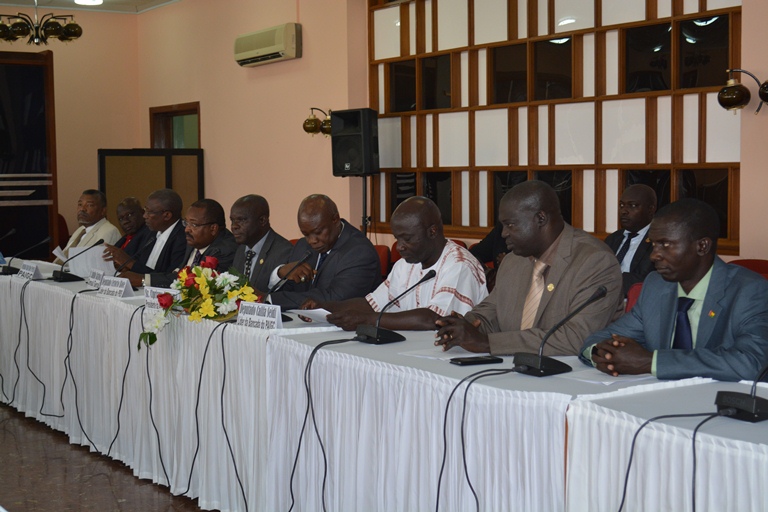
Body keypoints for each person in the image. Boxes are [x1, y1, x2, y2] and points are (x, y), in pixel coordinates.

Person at [581, 198, 768, 382]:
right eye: (653, 244)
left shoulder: (750, 291)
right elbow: (601, 338)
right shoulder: (656, 285)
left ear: (702, 246)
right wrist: (603, 354)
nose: (654, 255)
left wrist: (652, 362)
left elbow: (753, 362)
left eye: (665, 244)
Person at [434, 180, 624, 355]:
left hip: (569, 374)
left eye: (510, 225)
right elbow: (490, 313)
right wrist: (463, 326)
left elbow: (576, 338)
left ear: (540, 218)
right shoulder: (513, 261)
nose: (504, 234)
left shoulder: (594, 261)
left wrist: (487, 343)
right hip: (510, 369)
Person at [302, 196, 488, 331]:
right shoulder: (405, 264)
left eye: (407, 238)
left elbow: (434, 320)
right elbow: (371, 304)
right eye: (397, 238)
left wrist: (367, 320)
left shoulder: (459, 266)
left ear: (432, 232)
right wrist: (324, 307)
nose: (399, 247)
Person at [264, 194, 381, 310]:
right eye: (306, 234)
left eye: (318, 232)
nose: (312, 241)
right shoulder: (302, 246)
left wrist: (271, 299)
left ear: (335, 220)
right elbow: (288, 290)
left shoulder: (359, 252)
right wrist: (281, 273)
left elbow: (334, 299)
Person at [125, 199, 238, 288]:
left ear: (213, 229)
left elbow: (192, 282)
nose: (187, 229)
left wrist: (144, 280)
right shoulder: (195, 241)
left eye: (193, 225)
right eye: (186, 223)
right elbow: (178, 274)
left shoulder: (224, 250)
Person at [104, 189, 186, 276]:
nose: (144, 216)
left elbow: (170, 278)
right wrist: (124, 265)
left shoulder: (182, 238)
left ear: (167, 215)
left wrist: (129, 263)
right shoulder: (151, 233)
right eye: (145, 210)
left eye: (149, 212)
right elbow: (140, 263)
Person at [230, 194, 293, 292]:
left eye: (242, 220)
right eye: (232, 220)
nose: (234, 226)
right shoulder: (241, 249)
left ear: (262, 220)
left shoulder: (284, 252)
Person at [603, 184, 657, 295]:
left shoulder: (658, 241)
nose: (624, 211)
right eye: (621, 205)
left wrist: (613, 280)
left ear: (650, 209)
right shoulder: (612, 239)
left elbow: (653, 280)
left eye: (632, 206)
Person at [54, 189, 120, 264]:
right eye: (80, 204)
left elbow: (98, 264)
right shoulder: (81, 230)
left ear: (103, 211)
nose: (82, 209)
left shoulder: (109, 231)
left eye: (89, 205)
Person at [469, 221, 509, 292]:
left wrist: (512, 261)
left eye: (511, 225)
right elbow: (473, 254)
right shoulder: (500, 229)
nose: (504, 234)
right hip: (499, 290)